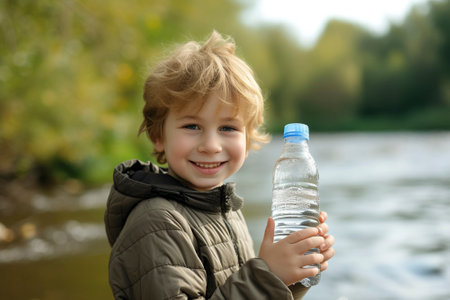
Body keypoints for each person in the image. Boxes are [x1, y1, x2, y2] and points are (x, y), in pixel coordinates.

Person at [104, 31, 335, 299]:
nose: (211, 145)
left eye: (227, 127)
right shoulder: (157, 222)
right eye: (192, 126)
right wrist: (268, 276)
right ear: (158, 137)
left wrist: (292, 278)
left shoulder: (224, 210)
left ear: (247, 141)